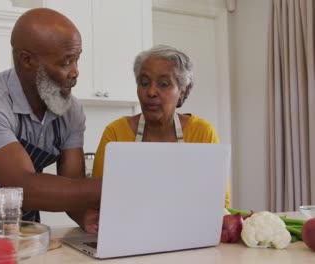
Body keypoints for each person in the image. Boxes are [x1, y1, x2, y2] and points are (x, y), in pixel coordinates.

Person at [0, 8, 101, 233]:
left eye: (77, 59)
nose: (75, 72)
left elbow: (72, 187)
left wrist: (86, 218)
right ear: (26, 60)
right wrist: (110, 187)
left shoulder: (71, 111)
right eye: (66, 62)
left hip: (23, 226)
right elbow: (22, 185)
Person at [91, 45, 230, 208]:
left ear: (182, 92)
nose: (151, 92)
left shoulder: (202, 133)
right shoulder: (116, 132)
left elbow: (220, 201)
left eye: (163, 84)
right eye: (144, 83)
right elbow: (97, 197)